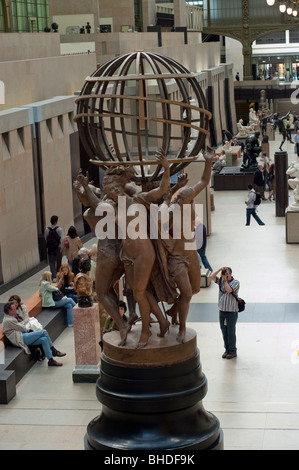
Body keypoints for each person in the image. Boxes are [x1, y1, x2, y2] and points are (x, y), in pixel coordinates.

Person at [2, 301, 66, 367]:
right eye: (14, 309)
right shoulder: (9, 320)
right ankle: (54, 351)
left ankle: (51, 360)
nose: (16, 310)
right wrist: (23, 325)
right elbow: (24, 328)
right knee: (43, 332)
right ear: (10, 311)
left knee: (43, 339)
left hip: (22, 335)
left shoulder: (10, 317)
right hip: (20, 338)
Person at [210, 267, 240, 359]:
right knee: (224, 331)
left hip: (231, 311)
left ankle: (232, 351)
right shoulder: (221, 281)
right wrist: (219, 270)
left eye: (227, 273)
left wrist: (225, 281)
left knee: (231, 332)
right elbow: (211, 276)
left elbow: (228, 290)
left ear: (231, 274)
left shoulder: (236, 283)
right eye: (225, 273)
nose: (226, 275)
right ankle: (227, 350)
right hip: (222, 310)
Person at [45, 215, 64, 282]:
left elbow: (46, 238)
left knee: (51, 262)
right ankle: (58, 274)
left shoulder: (47, 229)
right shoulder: (59, 229)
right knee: (59, 261)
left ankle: (54, 277)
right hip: (58, 248)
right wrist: (62, 248)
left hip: (50, 248)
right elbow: (62, 239)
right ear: (56, 221)